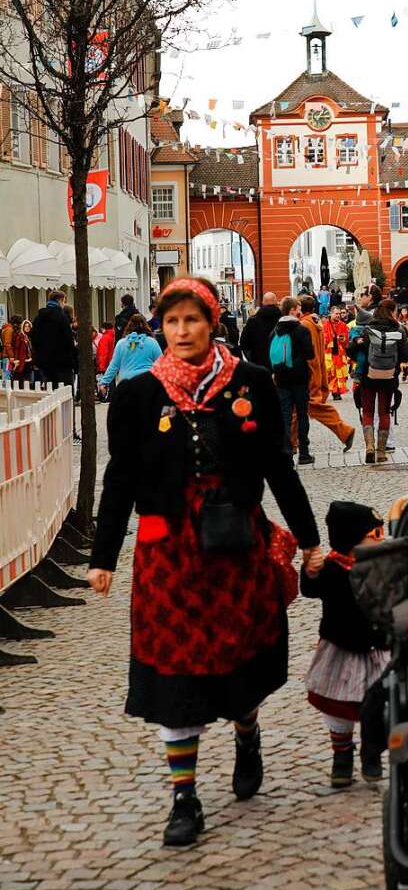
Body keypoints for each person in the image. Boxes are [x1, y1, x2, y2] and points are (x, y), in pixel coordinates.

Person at [87, 276, 321, 848]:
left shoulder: (251, 382)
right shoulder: (138, 394)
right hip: (167, 551)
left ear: (211, 322)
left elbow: (276, 464)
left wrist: (309, 536)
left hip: (234, 538)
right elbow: (120, 476)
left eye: (192, 320)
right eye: (172, 322)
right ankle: (184, 795)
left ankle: (247, 731)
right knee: (175, 665)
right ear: (160, 328)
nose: (182, 331)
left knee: (240, 652)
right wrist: (104, 555)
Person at [301, 501, 389, 788]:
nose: (382, 539)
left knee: (378, 703)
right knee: (337, 706)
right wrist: (310, 571)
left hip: (376, 649)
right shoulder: (332, 569)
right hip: (340, 649)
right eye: (375, 534)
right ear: (353, 539)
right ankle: (342, 754)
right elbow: (311, 590)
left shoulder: (381, 566)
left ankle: (371, 752)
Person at [352, 298, 408, 464]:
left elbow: (353, 350)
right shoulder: (399, 329)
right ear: (392, 312)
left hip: (368, 377)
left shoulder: (368, 329)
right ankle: (381, 452)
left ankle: (369, 447)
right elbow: (407, 356)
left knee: (368, 412)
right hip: (389, 377)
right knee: (384, 413)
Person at [293, 296, 355, 452]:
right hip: (316, 370)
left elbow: (308, 352)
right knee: (297, 408)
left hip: (309, 372)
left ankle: (344, 431)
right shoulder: (316, 323)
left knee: (312, 406)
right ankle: (292, 443)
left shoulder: (304, 325)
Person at [270, 296, 315, 465]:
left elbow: (271, 355)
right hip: (300, 379)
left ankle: (287, 452)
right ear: (291, 310)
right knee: (302, 415)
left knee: (285, 416)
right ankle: (304, 453)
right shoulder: (302, 330)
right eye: (298, 308)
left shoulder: (275, 331)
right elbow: (310, 354)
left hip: (281, 380)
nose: (300, 311)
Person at [99, 314, 162, 393]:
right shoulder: (152, 342)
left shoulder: (121, 344)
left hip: (126, 383)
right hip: (147, 382)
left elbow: (114, 366)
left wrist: (104, 382)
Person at [29, 290, 76, 389]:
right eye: (64, 301)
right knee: (64, 392)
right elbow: (68, 340)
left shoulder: (38, 317)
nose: (64, 304)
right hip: (62, 363)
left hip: (45, 363)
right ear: (60, 300)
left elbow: (33, 337)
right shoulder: (62, 317)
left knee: (50, 389)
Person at [240, 292, 281, 369]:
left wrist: (251, 359)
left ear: (263, 303)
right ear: (276, 302)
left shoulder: (252, 321)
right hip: (279, 365)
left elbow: (243, 343)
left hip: (258, 365)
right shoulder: (282, 319)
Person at [323, 304, 350, 399]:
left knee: (339, 373)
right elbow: (323, 338)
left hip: (339, 353)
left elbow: (346, 339)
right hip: (328, 353)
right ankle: (329, 391)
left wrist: (342, 339)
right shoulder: (325, 324)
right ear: (331, 314)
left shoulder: (343, 325)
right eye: (336, 313)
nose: (338, 315)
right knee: (329, 373)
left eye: (339, 314)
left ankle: (336, 392)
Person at [4, 315, 32, 383]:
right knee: (10, 376)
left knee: (10, 375)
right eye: (25, 326)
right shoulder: (11, 330)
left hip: (18, 359)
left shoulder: (27, 336)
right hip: (12, 357)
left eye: (29, 326)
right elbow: (9, 344)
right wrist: (13, 357)